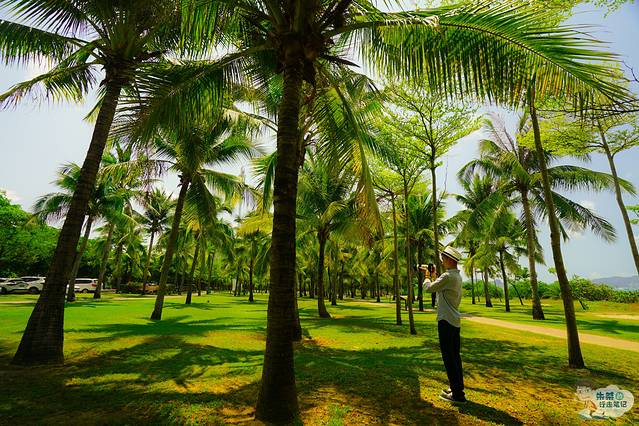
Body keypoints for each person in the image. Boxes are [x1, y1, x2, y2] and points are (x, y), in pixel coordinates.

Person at [420, 246, 466, 403]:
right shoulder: (455, 276)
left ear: (450, 260)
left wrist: (427, 276)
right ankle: (457, 388)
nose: (442, 261)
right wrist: (435, 276)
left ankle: (457, 395)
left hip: (446, 320)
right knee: (455, 357)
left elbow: (428, 288)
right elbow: (441, 287)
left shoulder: (447, 277)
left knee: (448, 358)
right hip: (454, 321)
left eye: (444, 258)